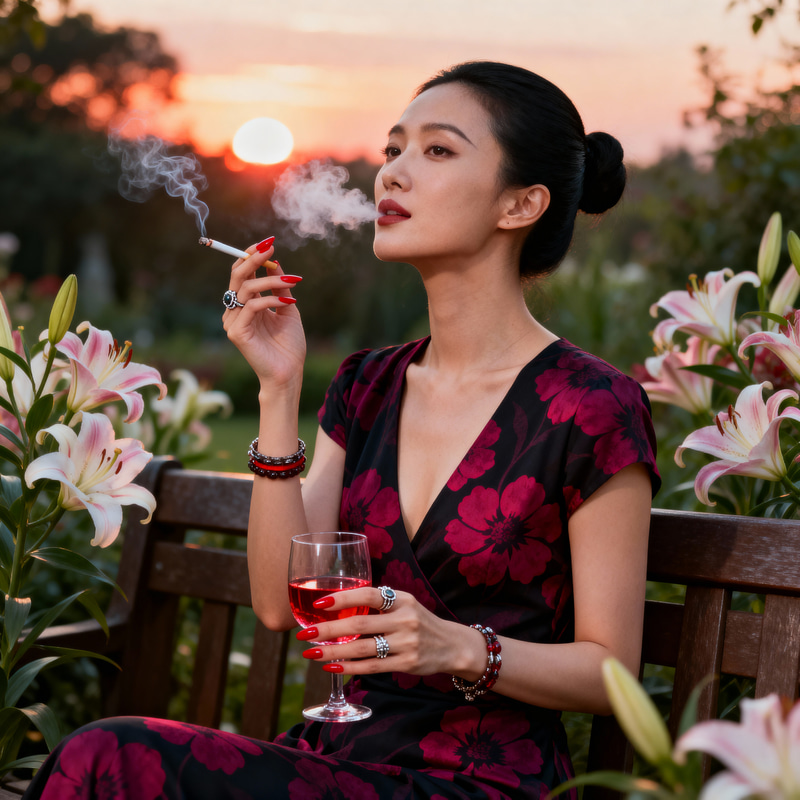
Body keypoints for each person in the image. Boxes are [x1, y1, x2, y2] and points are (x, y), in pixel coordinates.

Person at [23, 61, 659, 800]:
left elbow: (614, 673)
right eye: (393, 149)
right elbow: (276, 601)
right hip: (339, 763)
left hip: (481, 783)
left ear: (520, 205)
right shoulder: (367, 385)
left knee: (110, 757)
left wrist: (461, 648)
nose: (392, 173)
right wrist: (277, 386)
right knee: (112, 761)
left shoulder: (592, 406)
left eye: (437, 150)